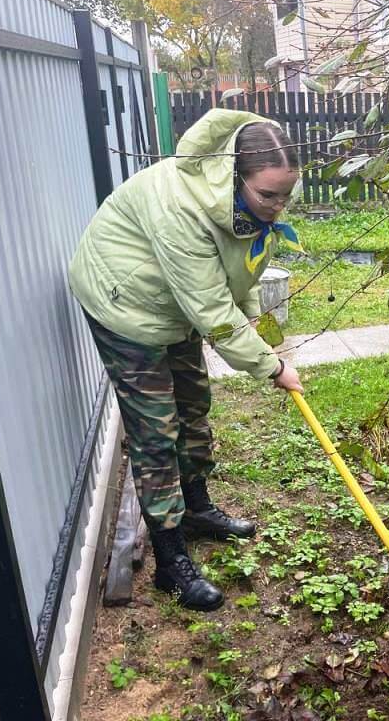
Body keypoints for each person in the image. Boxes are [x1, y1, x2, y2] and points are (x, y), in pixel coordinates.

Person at [70, 109, 305, 611]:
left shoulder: (257, 199)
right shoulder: (180, 205)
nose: (278, 206)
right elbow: (213, 310)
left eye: (287, 194)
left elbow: (237, 279)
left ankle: (196, 509)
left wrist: (262, 340)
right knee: (156, 431)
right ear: (233, 175)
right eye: (268, 196)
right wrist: (270, 367)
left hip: (175, 303)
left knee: (193, 403)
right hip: (124, 304)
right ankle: (170, 561)